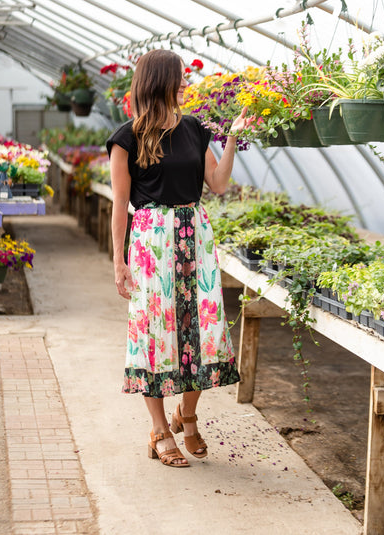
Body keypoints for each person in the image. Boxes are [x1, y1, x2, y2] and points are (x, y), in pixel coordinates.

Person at [106, 49, 254, 468]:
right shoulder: (127, 137)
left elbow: (219, 184)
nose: (186, 84)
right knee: (154, 337)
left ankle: (186, 414)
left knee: (203, 333)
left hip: (196, 240)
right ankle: (158, 430)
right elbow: (120, 205)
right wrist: (119, 261)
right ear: (160, 82)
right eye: (180, 78)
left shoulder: (194, 129)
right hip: (152, 247)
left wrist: (230, 141)